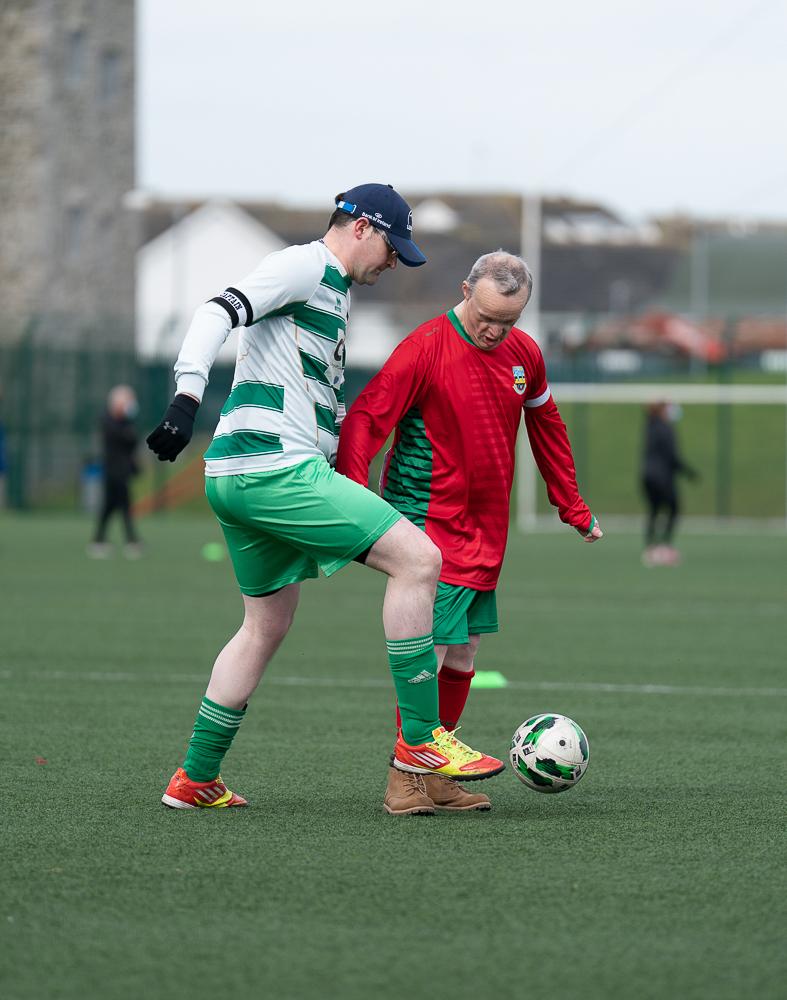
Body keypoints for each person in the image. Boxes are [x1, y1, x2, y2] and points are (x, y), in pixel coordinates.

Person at [146, 183, 504, 811]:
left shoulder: (331, 290)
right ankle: (420, 741)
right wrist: (184, 399)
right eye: (393, 249)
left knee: (265, 624)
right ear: (361, 227)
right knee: (419, 561)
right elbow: (214, 312)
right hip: (272, 471)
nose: (394, 262)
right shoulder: (304, 264)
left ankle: (195, 778)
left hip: (237, 475)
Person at [336, 251, 603, 815]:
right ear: (465, 290)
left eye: (509, 321)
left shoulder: (524, 353)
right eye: (486, 316)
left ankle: (437, 780)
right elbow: (366, 418)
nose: (494, 330)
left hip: (486, 528)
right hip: (428, 523)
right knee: (429, 653)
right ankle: (405, 778)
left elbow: (547, 426)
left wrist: (572, 506)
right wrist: (352, 494)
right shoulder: (425, 347)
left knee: (463, 651)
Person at [640, 401, 698, 566]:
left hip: (647, 476)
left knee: (654, 511)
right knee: (673, 509)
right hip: (662, 477)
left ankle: (651, 549)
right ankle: (664, 547)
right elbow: (672, 457)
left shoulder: (650, 425)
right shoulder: (666, 429)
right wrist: (689, 472)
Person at [88, 385, 142, 558]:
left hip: (123, 472)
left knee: (112, 508)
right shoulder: (107, 421)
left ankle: (99, 540)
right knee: (120, 507)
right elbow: (126, 439)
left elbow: (133, 441)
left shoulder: (125, 422)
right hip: (113, 472)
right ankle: (130, 542)